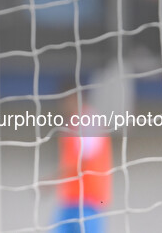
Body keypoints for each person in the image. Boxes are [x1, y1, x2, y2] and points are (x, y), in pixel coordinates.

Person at [53, 91, 112, 233]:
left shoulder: (89, 119)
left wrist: (51, 179)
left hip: (89, 199)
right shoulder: (71, 123)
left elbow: (85, 157)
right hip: (70, 199)